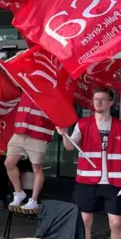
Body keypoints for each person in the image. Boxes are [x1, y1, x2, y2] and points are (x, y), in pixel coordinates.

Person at [57, 87, 121, 239]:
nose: (98, 102)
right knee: (85, 220)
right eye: (95, 99)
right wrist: (64, 134)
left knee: (116, 222)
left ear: (111, 102)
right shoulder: (83, 123)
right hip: (87, 181)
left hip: (115, 182)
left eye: (102, 99)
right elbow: (69, 146)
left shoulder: (119, 125)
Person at [4, 93, 54, 210]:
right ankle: (19, 193)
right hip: (20, 132)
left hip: (38, 135)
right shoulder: (27, 84)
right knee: (8, 163)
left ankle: (34, 200)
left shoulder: (52, 92)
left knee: (36, 168)